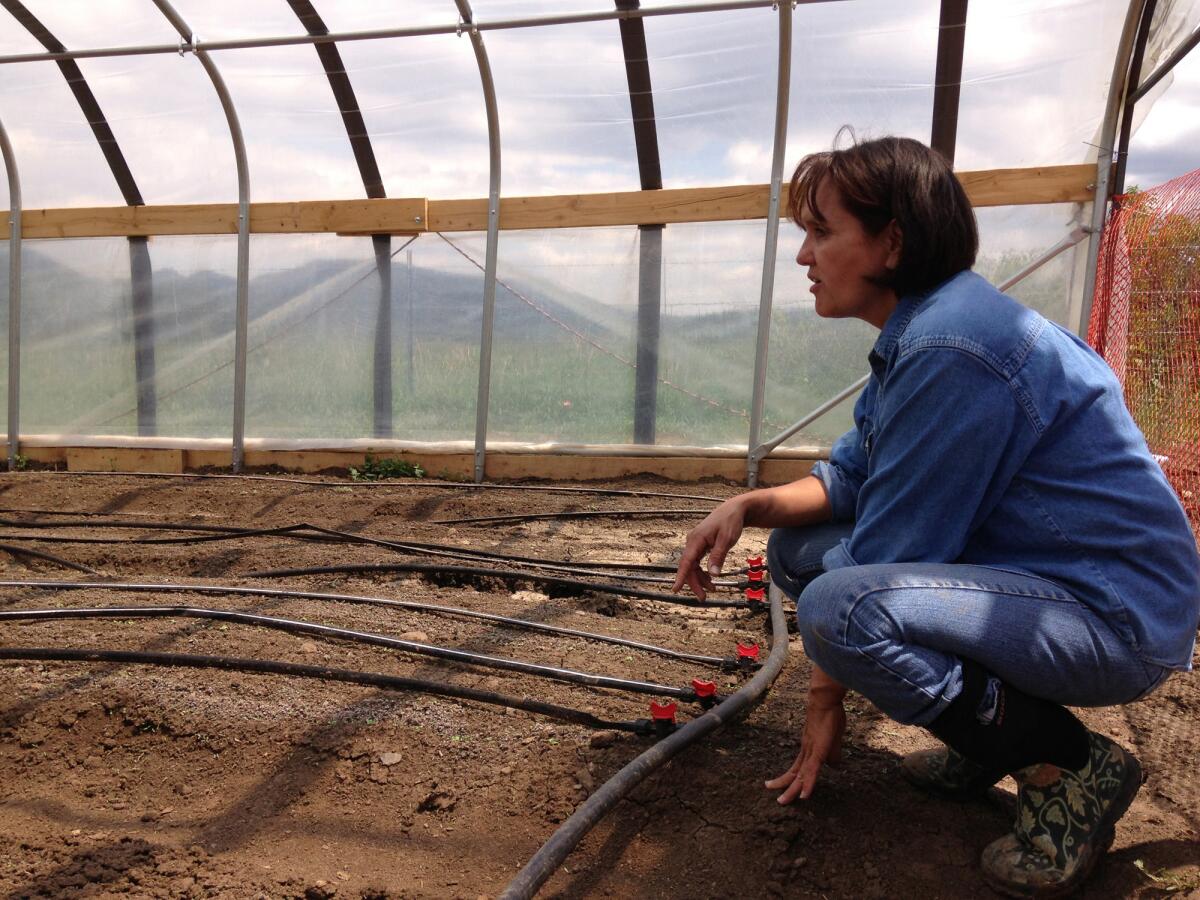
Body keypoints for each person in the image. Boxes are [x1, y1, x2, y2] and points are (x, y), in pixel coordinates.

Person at [672, 135, 1200, 897]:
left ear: (892, 241)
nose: (803, 256)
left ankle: (1067, 766)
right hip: (1043, 586)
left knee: (840, 610)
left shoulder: (955, 346)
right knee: (795, 550)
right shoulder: (922, 332)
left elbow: (884, 555)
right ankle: (993, 734)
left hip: (1114, 615)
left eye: (822, 232)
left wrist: (823, 701)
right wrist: (747, 504)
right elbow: (849, 476)